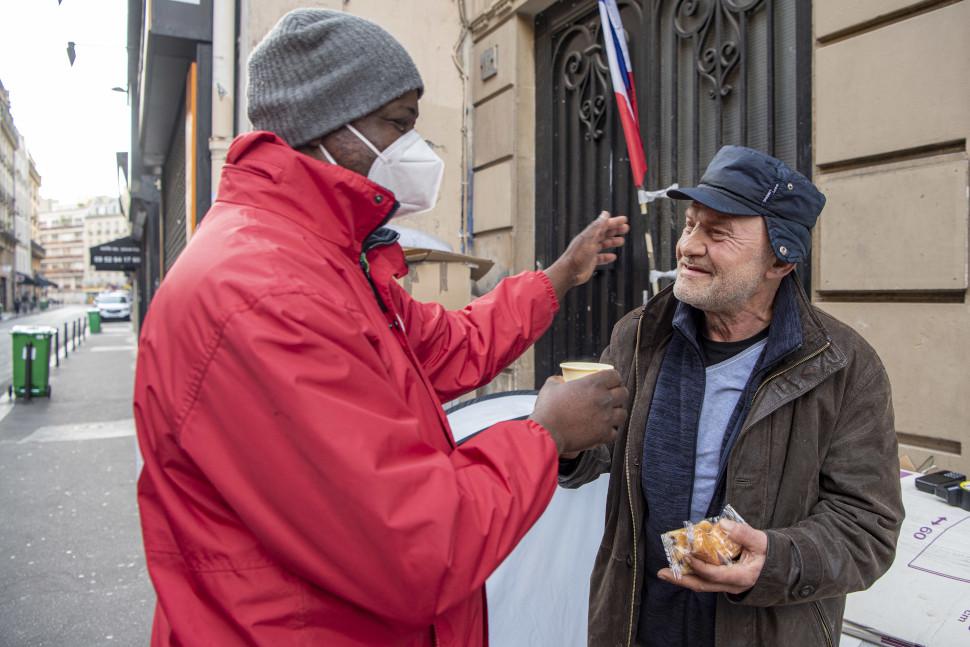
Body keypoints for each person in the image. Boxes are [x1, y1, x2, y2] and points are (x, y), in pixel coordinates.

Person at [133, 9, 629, 647]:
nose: (415, 150)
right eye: (398, 124)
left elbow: (445, 347)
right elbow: (417, 544)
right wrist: (545, 434)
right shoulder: (266, 293)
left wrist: (558, 275)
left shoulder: (319, 259)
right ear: (328, 125)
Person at [560, 145, 904, 646]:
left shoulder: (844, 368)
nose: (690, 247)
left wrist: (774, 559)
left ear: (781, 262)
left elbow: (867, 528)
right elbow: (597, 453)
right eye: (690, 225)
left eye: (718, 233)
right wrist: (567, 441)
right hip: (637, 623)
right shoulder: (639, 336)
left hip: (765, 631)